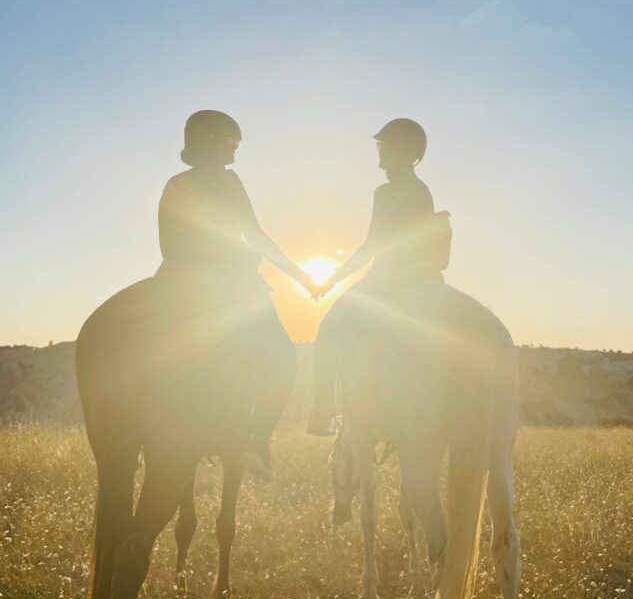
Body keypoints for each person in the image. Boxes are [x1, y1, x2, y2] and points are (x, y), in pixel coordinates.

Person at [157, 110, 316, 476]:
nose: (235, 149)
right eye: (230, 141)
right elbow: (255, 235)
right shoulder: (229, 184)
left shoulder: (175, 184)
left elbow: (168, 246)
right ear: (208, 141)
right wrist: (298, 276)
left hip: (178, 281)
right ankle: (256, 441)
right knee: (283, 362)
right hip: (227, 285)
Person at [308, 118, 451, 436]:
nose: (380, 150)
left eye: (384, 145)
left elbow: (373, 244)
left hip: (390, 278)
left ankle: (324, 410)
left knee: (329, 326)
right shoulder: (421, 189)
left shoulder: (385, 192)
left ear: (402, 150)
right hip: (424, 275)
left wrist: (333, 280)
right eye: (380, 144)